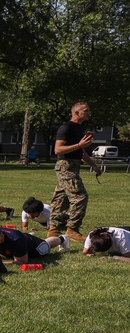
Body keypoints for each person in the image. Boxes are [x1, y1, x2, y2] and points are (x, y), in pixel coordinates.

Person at [48, 102, 101, 242]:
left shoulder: (80, 129)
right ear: (77, 113)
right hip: (65, 166)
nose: (89, 112)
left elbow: (80, 151)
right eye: (86, 110)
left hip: (74, 166)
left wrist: (94, 166)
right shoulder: (66, 127)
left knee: (60, 198)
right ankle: (72, 229)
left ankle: (53, 229)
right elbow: (58, 150)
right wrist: (79, 145)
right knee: (80, 196)